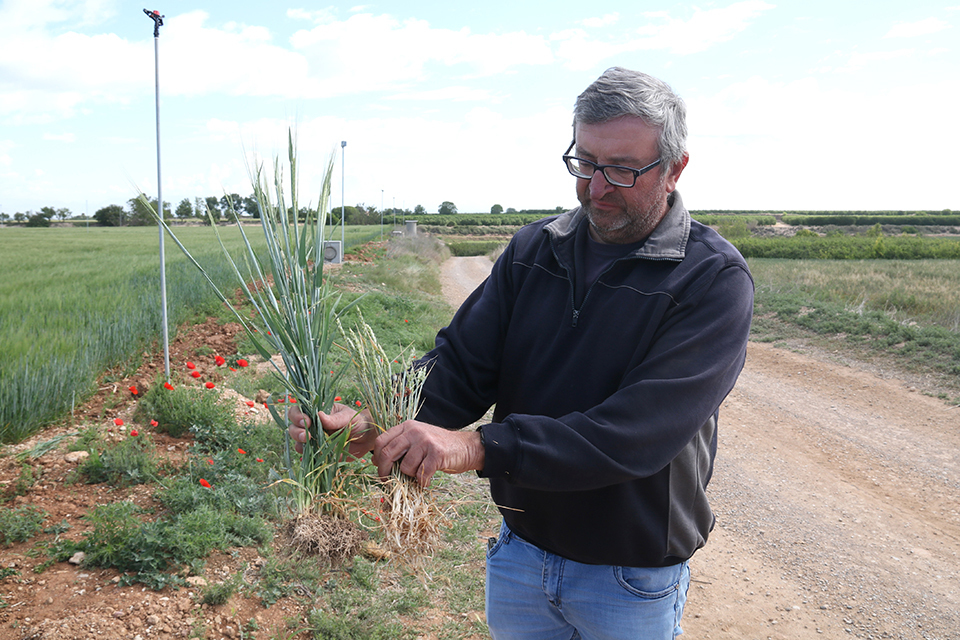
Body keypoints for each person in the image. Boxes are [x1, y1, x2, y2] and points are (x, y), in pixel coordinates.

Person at [289, 67, 754, 639]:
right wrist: (375, 420)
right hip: (520, 558)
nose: (597, 188)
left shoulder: (710, 278)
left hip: (629, 578)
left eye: (623, 169)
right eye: (584, 163)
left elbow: (635, 433)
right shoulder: (537, 249)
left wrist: (478, 446)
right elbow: (460, 366)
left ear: (675, 169)